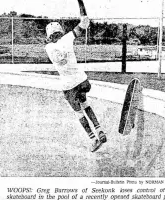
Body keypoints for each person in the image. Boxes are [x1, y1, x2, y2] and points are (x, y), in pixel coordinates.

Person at [45, 0, 107, 152]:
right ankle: (100, 130)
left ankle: (93, 138)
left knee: (79, 112)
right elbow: (85, 22)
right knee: (86, 104)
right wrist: (81, 3)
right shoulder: (68, 38)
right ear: (60, 31)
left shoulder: (48, 47)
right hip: (82, 81)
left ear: (49, 36)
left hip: (68, 86)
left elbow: (58, 57)